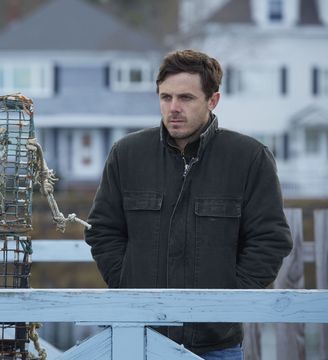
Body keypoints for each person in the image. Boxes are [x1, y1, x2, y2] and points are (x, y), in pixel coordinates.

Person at [85, 49, 292, 360]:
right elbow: (103, 231)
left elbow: (270, 241)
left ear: (213, 100)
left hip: (215, 345)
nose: (173, 108)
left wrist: (225, 301)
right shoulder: (126, 154)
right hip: (132, 337)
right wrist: (127, 280)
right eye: (165, 97)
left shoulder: (249, 158)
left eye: (186, 98)